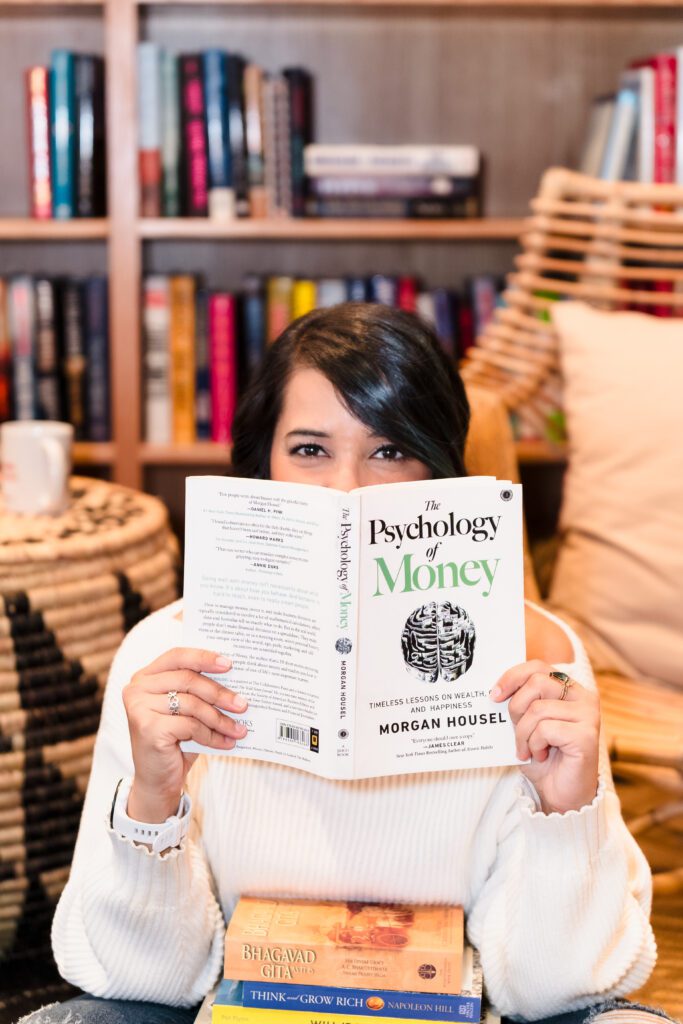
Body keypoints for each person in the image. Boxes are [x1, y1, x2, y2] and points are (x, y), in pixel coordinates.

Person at [25, 304, 659, 1024]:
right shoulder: (163, 664)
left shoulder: (538, 663)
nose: (347, 490)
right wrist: (154, 802)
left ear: (439, 472)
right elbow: (142, 983)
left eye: (389, 450)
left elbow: (553, 991)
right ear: (261, 463)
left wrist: (563, 807)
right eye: (308, 449)